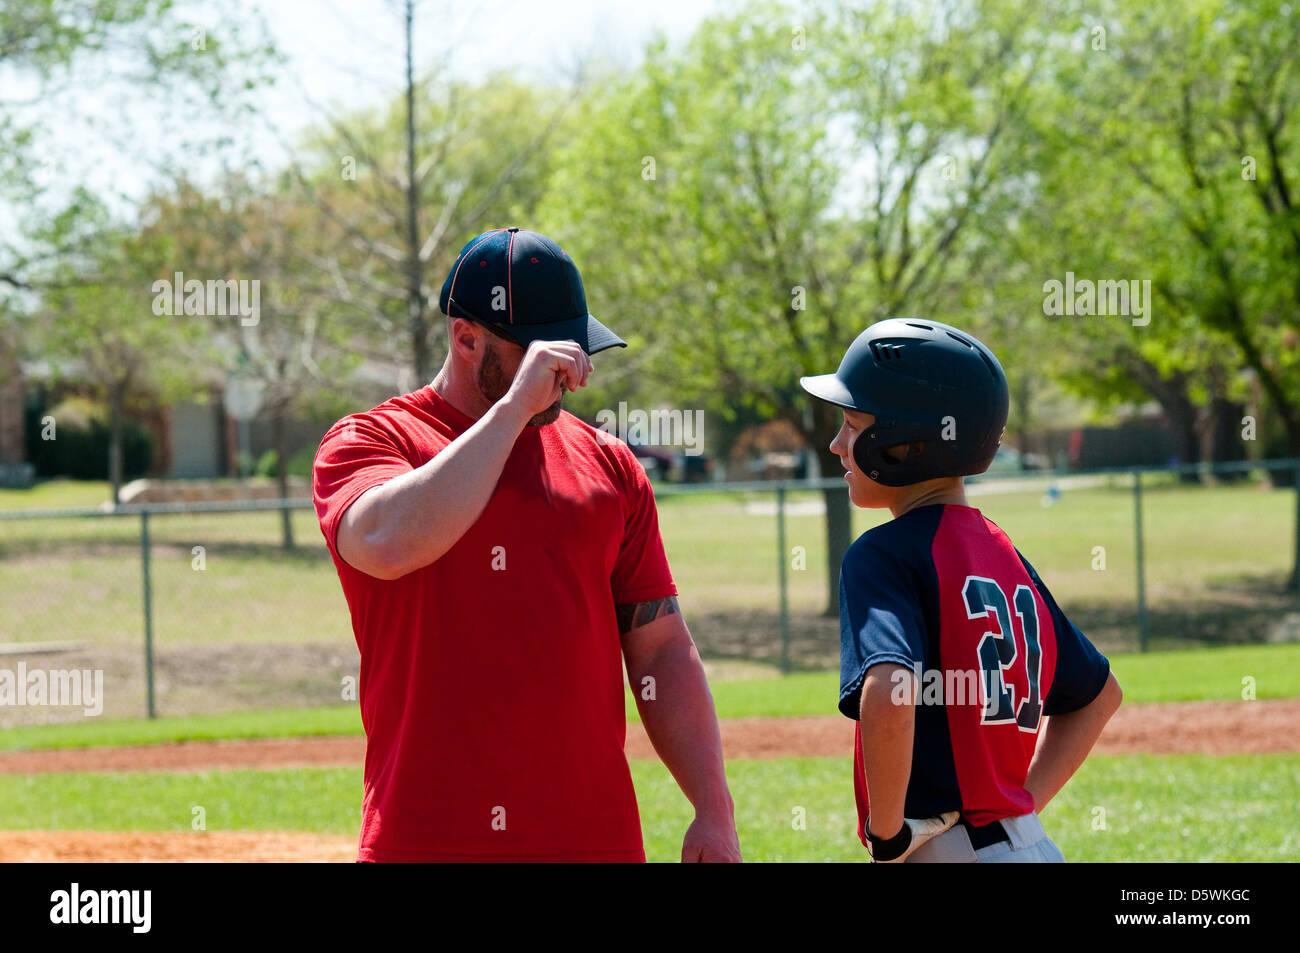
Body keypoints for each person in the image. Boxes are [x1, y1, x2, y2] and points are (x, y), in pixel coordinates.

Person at [312, 227, 740, 862]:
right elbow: (388, 543)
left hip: (594, 843)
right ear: (466, 338)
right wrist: (511, 411)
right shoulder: (375, 441)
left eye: (578, 354)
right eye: (547, 357)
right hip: (429, 841)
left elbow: (661, 650)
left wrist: (713, 809)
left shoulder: (611, 465)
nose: (573, 377)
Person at [799, 317, 1123, 863]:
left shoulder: (881, 555)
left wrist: (887, 837)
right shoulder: (1004, 554)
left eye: (852, 426)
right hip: (1035, 849)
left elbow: (891, 691)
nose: (836, 445)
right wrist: (1020, 806)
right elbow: (1100, 695)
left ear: (904, 445)